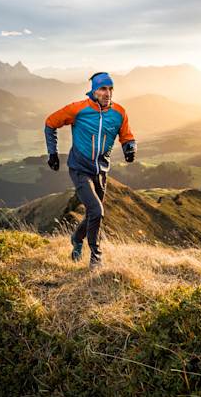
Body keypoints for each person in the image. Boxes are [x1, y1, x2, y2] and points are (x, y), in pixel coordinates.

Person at [44, 71, 136, 270]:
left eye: (110, 89)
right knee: (97, 210)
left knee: (93, 214)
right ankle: (96, 257)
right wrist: (52, 153)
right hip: (79, 168)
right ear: (94, 91)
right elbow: (50, 123)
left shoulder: (119, 112)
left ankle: (77, 238)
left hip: (101, 170)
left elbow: (126, 135)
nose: (107, 93)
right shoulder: (78, 109)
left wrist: (129, 147)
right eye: (103, 89)